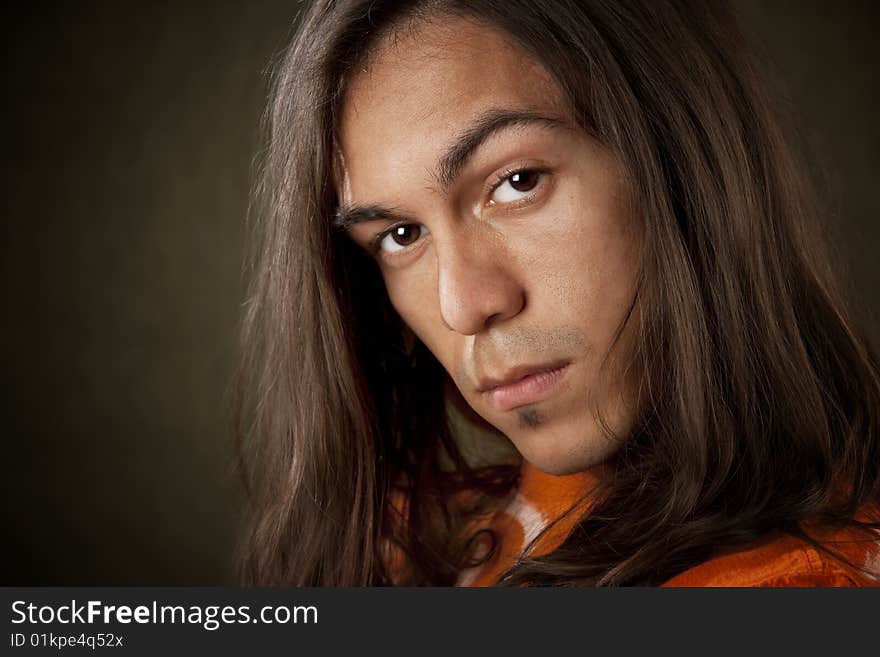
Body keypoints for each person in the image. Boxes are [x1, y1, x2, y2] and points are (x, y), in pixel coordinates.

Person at [232, 0, 880, 586]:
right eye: (401, 234)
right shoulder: (406, 551)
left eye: (517, 181)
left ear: (683, 159)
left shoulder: (814, 582)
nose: (465, 304)